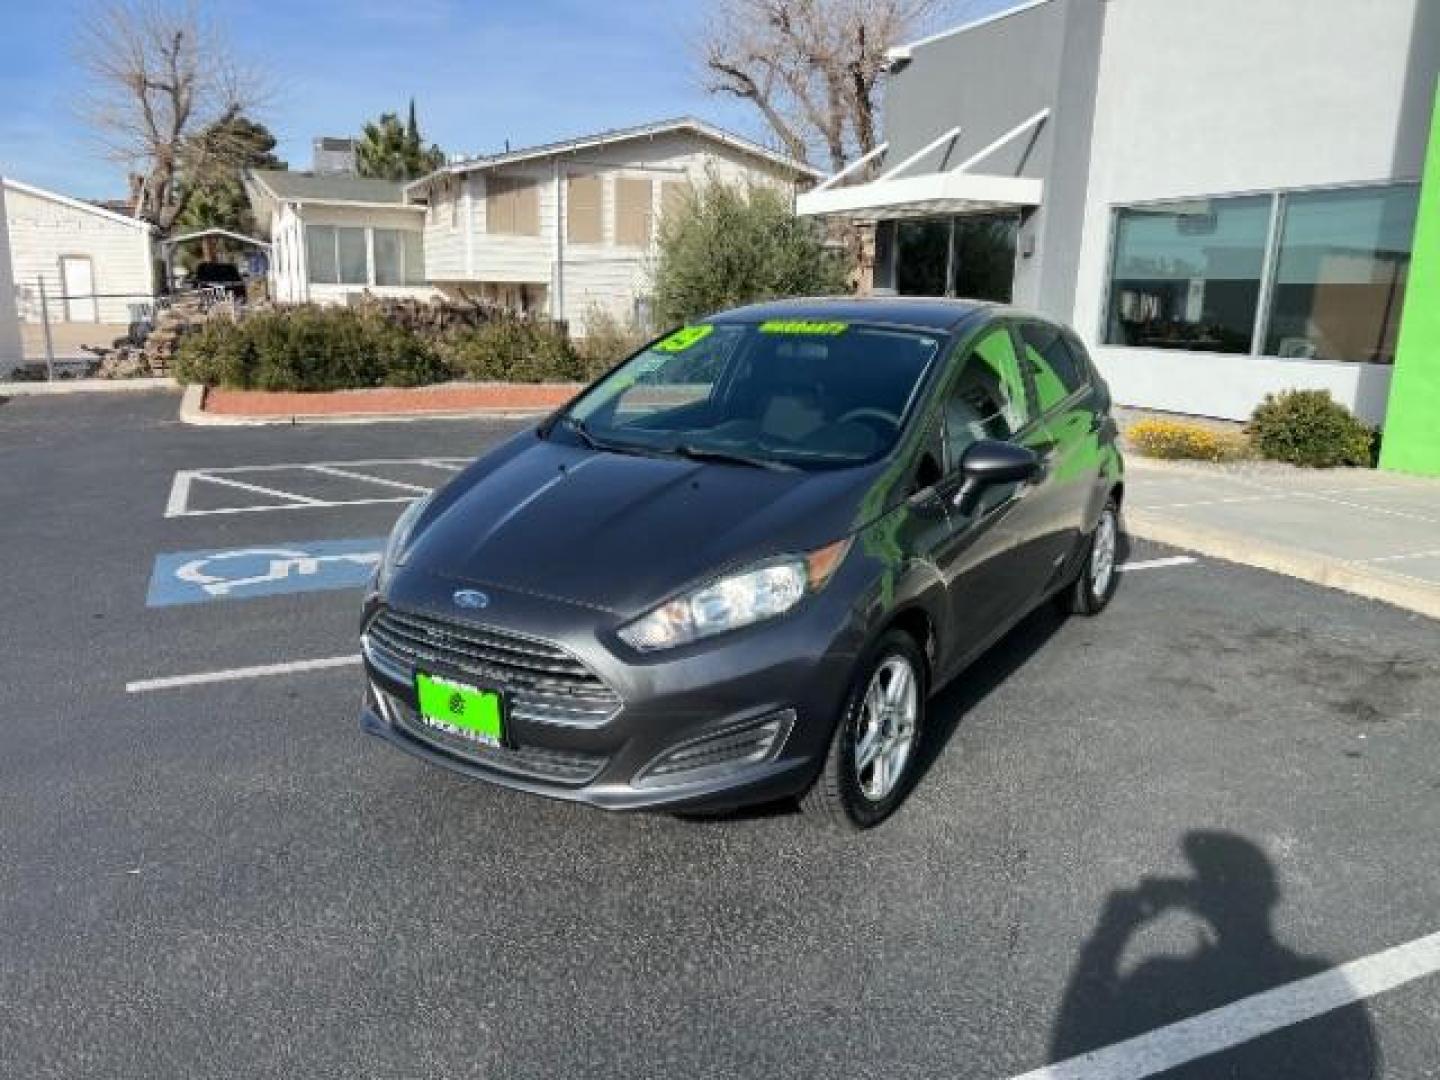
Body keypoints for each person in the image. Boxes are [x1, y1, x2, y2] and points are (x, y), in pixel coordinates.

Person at [1050, 831, 1378, 1077]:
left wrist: (1112, 930)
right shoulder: (1315, 977)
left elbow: (1072, 1052)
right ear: (1271, 894)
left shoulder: (1157, 977)